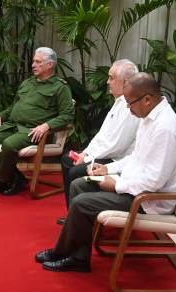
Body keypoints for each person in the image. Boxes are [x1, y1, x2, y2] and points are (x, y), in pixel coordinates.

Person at [35, 73, 176, 272]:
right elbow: (136, 157)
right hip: (136, 186)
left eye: (130, 103)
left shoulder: (165, 128)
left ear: (147, 99)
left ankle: (68, 254)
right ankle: (76, 255)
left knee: (83, 202)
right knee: (79, 184)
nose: (128, 108)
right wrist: (108, 169)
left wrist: (115, 184)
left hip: (149, 200)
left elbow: (154, 181)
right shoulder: (149, 116)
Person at [0, 47, 74, 195]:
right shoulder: (27, 83)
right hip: (13, 125)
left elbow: (67, 115)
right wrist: (1, 116)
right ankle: (16, 178)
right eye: (33, 61)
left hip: (33, 131)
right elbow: (14, 107)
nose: (33, 65)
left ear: (50, 65)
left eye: (38, 62)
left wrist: (47, 126)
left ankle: (0, 181)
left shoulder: (60, 88)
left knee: (8, 145)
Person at [57, 59, 140, 225]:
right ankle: (73, 213)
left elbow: (116, 146)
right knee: (68, 159)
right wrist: (86, 153)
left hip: (117, 159)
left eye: (111, 78)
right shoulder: (119, 102)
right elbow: (102, 136)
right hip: (108, 155)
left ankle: (80, 215)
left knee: (76, 172)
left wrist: (87, 159)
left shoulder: (131, 107)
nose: (107, 82)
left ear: (125, 82)